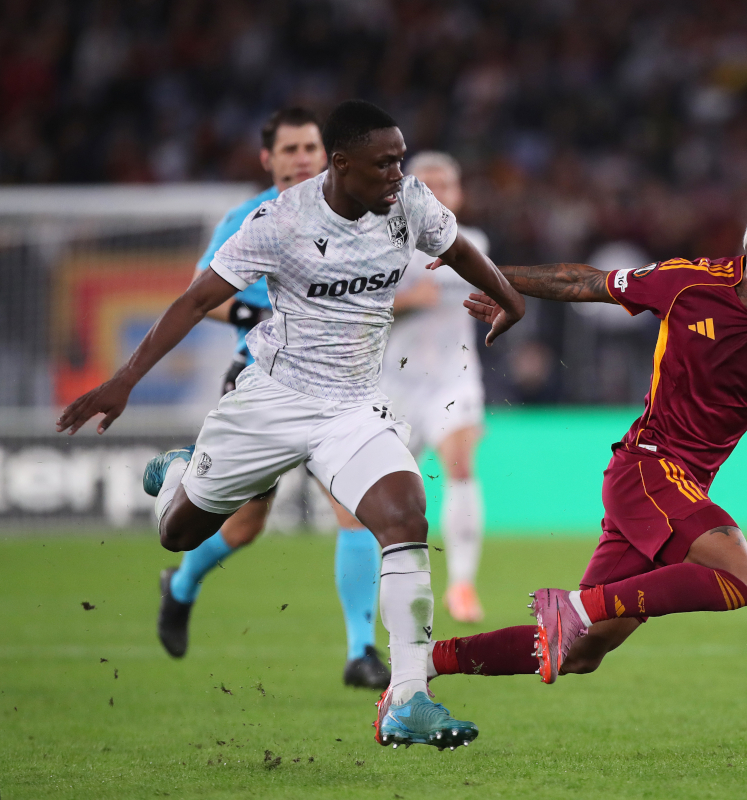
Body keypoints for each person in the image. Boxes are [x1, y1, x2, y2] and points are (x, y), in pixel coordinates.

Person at [56, 99, 525, 750]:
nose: (398, 170)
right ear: (341, 165)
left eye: (399, 157)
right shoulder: (277, 222)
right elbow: (197, 300)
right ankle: (178, 474)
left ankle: (408, 698)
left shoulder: (409, 202)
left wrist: (509, 300)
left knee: (404, 515)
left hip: (354, 405)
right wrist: (125, 379)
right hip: (272, 400)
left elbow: (460, 250)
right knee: (178, 533)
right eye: (384, 161)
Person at [422, 201, 747, 687]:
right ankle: (578, 606)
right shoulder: (688, 283)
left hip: (683, 489)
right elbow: (585, 281)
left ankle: (425, 663)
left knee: (578, 651)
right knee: (743, 579)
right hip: (647, 467)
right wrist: (489, 274)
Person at [155, 107, 395, 691]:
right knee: (240, 529)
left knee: (356, 512)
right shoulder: (248, 217)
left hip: (339, 393)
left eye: (309, 147)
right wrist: (257, 311)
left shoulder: (359, 211)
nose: (301, 158)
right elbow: (200, 296)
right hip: (261, 385)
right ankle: (181, 585)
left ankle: (361, 651)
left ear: (329, 154)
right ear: (268, 159)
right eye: (288, 150)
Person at [383, 152, 489, 623]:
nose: (437, 192)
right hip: (394, 384)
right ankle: (396, 586)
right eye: (425, 184)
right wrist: (406, 301)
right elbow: (355, 313)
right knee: (394, 493)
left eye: (445, 184)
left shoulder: (474, 244)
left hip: (454, 377)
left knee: (461, 464)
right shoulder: (382, 247)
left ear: (458, 193)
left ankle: (462, 585)